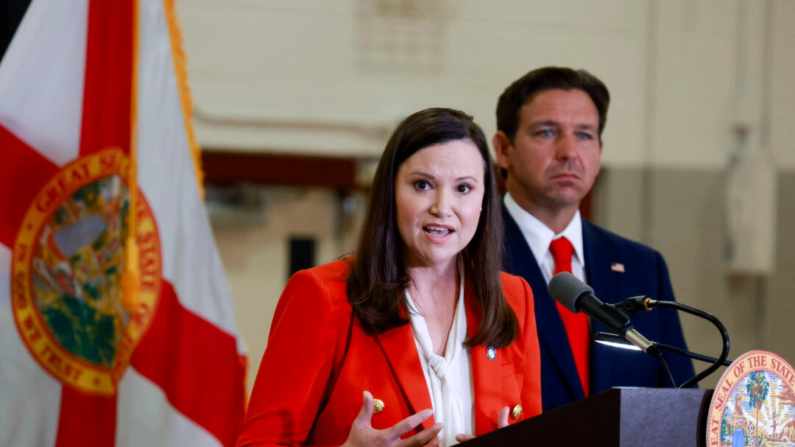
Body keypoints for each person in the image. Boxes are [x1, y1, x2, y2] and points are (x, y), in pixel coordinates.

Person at [237, 108, 542, 447]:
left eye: (464, 188)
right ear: (390, 192)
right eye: (422, 185)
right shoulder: (323, 296)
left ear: (485, 200)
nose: (443, 206)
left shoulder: (514, 297)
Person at [492, 67, 696, 413]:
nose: (569, 151)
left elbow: (678, 400)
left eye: (584, 135)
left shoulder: (643, 266)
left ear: (599, 152)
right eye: (546, 132)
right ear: (504, 149)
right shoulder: (467, 256)